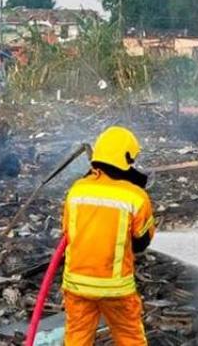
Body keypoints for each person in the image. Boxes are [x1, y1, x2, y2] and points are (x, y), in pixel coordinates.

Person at [61, 126, 156, 346]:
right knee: (130, 338)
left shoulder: (77, 190)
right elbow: (142, 242)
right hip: (116, 289)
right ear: (126, 158)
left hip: (77, 286)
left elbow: (67, 232)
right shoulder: (135, 197)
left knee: (76, 338)